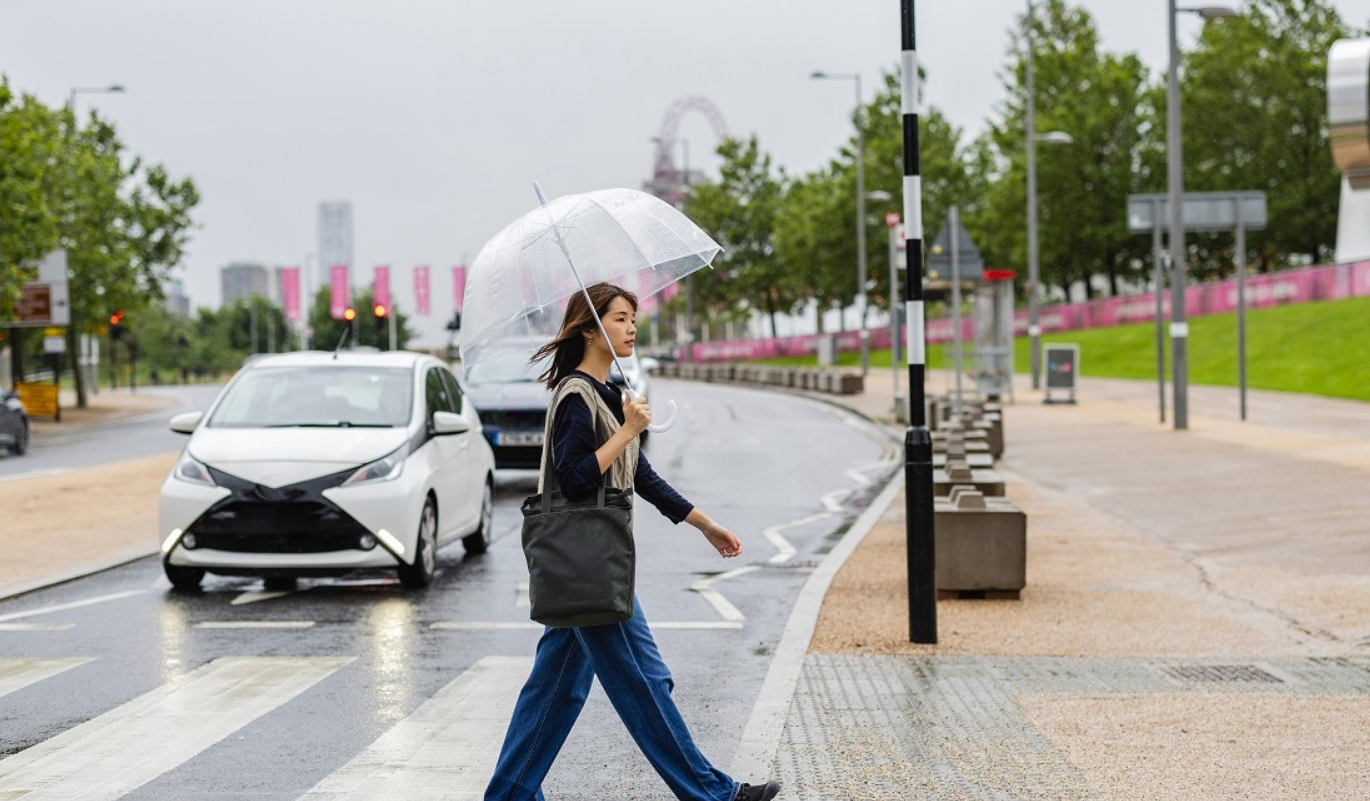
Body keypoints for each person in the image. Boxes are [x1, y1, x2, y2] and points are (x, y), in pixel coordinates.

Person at [484, 282, 780, 801]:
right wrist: (627, 430)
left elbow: (642, 476)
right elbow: (574, 478)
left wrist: (704, 523)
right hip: (591, 564)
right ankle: (714, 795)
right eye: (619, 318)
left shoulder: (606, 394)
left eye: (632, 319)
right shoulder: (575, 396)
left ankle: (509, 794)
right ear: (589, 329)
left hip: (588, 567)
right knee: (645, 681)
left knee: (555, 690)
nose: (631, 328)